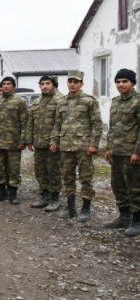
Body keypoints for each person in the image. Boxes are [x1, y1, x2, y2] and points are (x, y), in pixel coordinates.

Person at [50, 70, 103, 222]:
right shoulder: (61, 102)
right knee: (67, 178)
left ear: (81, 84)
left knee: (86, 178)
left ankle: (86, 209)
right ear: (67, 83)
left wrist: (94, 144)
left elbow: (97, 124)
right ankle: (70, 207)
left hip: (83, 147)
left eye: (76, 82)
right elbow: (57, 125)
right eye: (70, 82)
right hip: (66, 147)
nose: (72, 84)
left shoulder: (89, 101)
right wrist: (54, 141)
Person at [104, 69, 140, 236]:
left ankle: (137, 221)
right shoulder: (116, 102)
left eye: (124, 81)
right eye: (118, 82)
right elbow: (112, 128)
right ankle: (124, 217)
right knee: (118, 186)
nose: (120, 85)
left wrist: (137, 152)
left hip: (131, 154)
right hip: (117, 153)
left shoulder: (138, 101)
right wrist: (109, 149)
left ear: (133, 83)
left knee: (135, 188)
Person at [0, 76, 29, 204]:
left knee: (13, 169)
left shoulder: (20, 102)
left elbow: (25, 123)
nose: (6, 86)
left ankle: (13, 193)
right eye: (4, 84)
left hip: (13, 142)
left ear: (13, 86)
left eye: (8, 84)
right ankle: (1, 191)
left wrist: (23, 141)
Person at [26, 76, 62, 211]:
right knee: (40, 171)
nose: (45, 86)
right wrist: (29, 140)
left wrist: (57, 141)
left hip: (53, 145)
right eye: (42, 84)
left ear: (53, 85)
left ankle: (55, 198)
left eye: (48, 83)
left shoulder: (60, 101)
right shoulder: (37, 102)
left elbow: (61, 124)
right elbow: (31, 122)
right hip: (39, 143)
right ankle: (45, 195)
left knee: (54, 172)